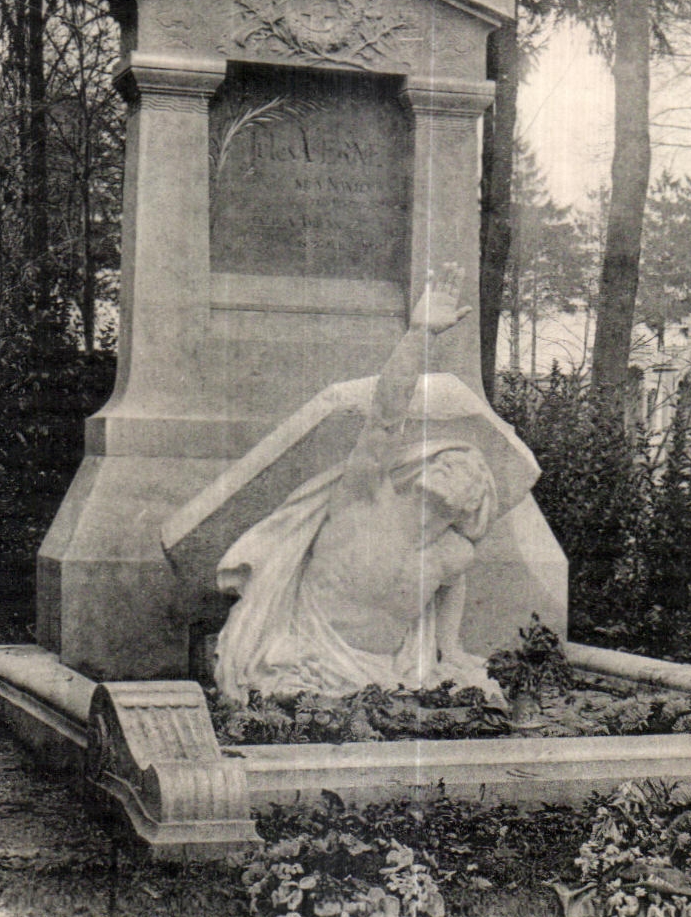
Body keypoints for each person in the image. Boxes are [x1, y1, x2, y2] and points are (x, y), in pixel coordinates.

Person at [213, 264, 503, 705]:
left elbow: (451, 598)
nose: (451, 466)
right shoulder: (366, 498)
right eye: (443, 458)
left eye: (468, 470)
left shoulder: (451, 555)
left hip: (382, 676)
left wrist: (452, 648)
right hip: (307, 656)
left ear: (474, 505)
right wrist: (420, 336)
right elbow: (385, 418)